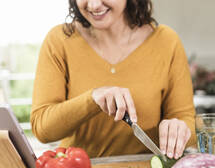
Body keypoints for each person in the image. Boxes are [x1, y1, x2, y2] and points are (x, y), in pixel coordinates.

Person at [31, 0, 196, 159]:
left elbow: (187, 123)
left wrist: (179, 128)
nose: (94, 5)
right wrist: (92, 98)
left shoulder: (166, 41)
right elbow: (43, 129)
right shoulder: (59, 40)